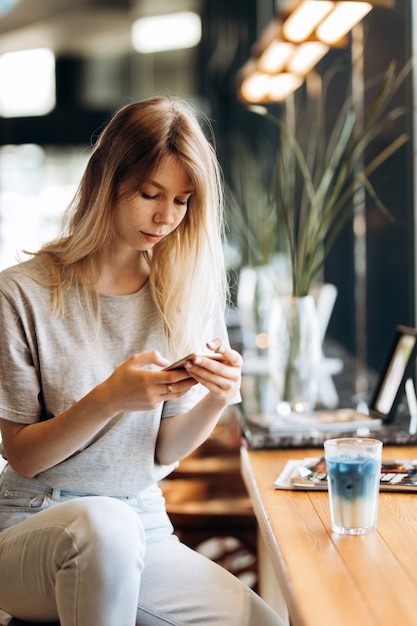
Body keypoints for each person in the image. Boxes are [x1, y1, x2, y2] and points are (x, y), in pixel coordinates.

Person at [0, 96, 284, 626]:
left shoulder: (185, 293)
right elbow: (23, 457)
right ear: (104, 182)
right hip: (33, 521)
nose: (164, 217)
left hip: (143, 522)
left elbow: (165, 450)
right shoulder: (21, 293)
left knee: (265, 623)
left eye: (181, 201)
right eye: (150, 194)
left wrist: (219, 397)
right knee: (104, 528)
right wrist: (108, 399)